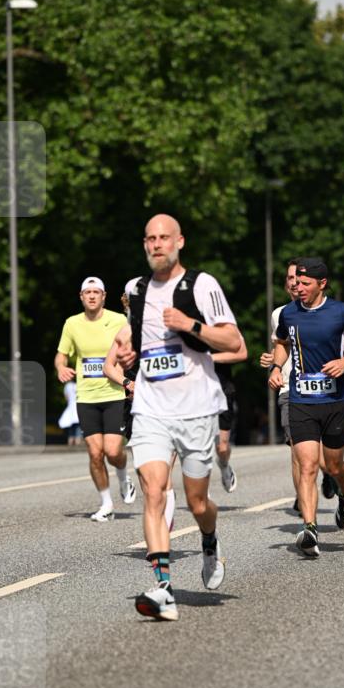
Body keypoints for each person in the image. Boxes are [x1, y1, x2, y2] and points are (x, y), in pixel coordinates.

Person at [112, 214, 242, 621]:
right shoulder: (135, 290)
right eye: (149, 238)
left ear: (180, 241)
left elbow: (234, 340)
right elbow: (131, 345)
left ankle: (209, 539)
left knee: (197, 501)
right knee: (154, 491)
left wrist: (190, 324)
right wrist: (129, 356)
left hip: (197, 409)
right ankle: (163, 588)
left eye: (164, 238)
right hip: (151, 408)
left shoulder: (201, 285)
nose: (156, 244)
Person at [269, 257, 344, 558]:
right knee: (308, 466)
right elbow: (282, 343)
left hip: (334, 401)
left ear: (321, 284)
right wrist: (275, 368)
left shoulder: (340, 312)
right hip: (301, 400)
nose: (297, 288)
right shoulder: (288, 313)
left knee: (335, 466)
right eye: (296, 283)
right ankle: (310, 527)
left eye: (305, 283)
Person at [55, 276, 136, 521]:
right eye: (87, 292)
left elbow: (133, 349)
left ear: (103, 296)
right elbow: (61, 355)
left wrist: (129, 377)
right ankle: (106, 503)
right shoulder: (72, 324)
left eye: (96, 292)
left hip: (113, 394)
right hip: (86, 396)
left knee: (112, 451)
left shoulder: (119, 320)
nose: (91, 296)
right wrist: (61, 368)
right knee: (94, 453)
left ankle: (123, 478)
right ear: (81, 296)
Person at [259, 259, 337, 511]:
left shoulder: (327, 312)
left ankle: (334, 476)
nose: (295, 283)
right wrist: (273, 363)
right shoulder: (279, 314)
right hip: (290, 390)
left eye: (299, 278)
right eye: (290, 278)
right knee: (297, 450)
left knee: (324, 457)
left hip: (323, 389)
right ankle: (307, 512)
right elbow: (281, 346)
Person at [212, 332, 248, 493]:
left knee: (222, 447)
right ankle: (202, 494)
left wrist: (209, 358)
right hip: (194, 391)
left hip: (223, 389)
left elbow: (242, 353)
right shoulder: (185, 322)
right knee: (199, 447)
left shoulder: (223, 324)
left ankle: (224, 465)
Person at [58, 379, 82, 446]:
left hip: (71, 408)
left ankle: (70, 444)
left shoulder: (67, 386)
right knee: (78, 429)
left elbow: (67, 397)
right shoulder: (77, 385)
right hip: (78, 407)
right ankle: (78, 445)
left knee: (71, 430)